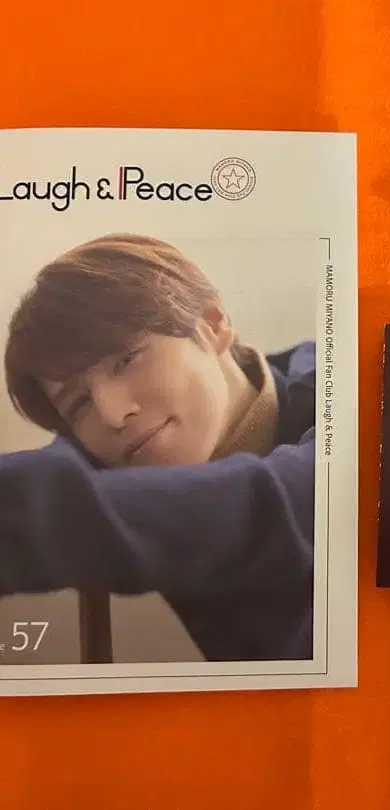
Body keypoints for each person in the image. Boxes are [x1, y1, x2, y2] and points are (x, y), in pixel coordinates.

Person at [0, 233, 315, 661]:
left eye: (127, 359)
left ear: (213, 324)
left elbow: (269, 500)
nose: (113, 415)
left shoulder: (346, 395)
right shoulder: (114, 455)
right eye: (79, 403)